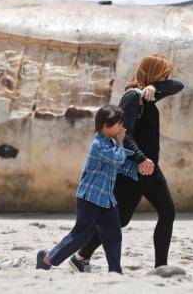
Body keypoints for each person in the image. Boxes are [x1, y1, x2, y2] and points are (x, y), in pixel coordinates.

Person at [71, 54, 184, 271]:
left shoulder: (148, 95)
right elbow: (124, 133)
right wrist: (140, 158)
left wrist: (153, 86)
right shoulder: (132, 98)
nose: (167, 77)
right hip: (134, 167)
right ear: (153, 72)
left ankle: (161, 267)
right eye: (163, 74)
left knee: (167, 211)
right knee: (120, 220)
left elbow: (178, 86)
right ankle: (81, 256)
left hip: (151, 169)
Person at [35, 104, 143, 274]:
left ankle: (115, 271)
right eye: (119, 124)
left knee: (114, 236)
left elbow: (119, 166)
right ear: (106, 126)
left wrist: (139, 168)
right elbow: (116, 159)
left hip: (106, 200)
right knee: (80, 236)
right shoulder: (98, 145)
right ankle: (48, 258)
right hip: (90, 199)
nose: (122, 127)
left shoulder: (111, 143)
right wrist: (122, 141)